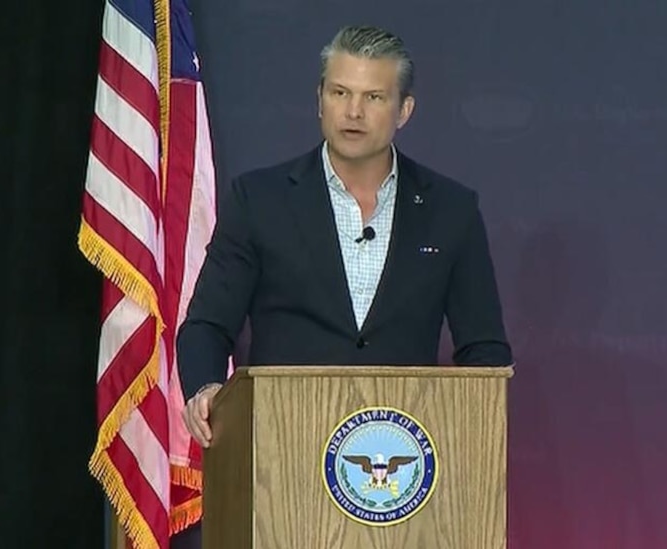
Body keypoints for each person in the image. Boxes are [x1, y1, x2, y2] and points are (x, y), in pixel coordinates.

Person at [178, 25, 512, 447]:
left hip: (404, 460)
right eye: (340, 93)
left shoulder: (451, 210)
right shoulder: (259, 201)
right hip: (282, 447)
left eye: (373, 97)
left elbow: (485, 351)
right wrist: (206, 388)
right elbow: (206, 325)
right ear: (320, 99)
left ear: (404, 110)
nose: (353, 112)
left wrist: (465, 435)